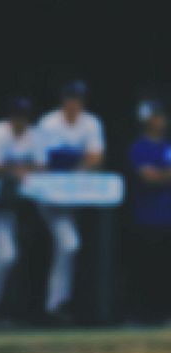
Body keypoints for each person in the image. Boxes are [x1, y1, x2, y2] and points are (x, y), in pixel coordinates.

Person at [35, 81, 105, 321]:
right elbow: (42, 163)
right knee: (68, 244)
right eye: (70, 98)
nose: (74, 103)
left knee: (68, 246)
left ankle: (57, 305)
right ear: (63, 100)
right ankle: (54, 305)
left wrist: (74, 170)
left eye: (78, 99)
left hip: (73, 197)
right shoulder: (49, 123)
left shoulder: (91, 122)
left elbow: (96, 157)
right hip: (48, 196)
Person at [0, 96, 42, 316]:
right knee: (5, 255)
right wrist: (14, 172)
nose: (21, 121)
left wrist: (21, 171)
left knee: (9, 255)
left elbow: (41, 165)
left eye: (24, 117)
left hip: (9, 209)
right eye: (17, 116)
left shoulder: (32, 135)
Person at [126, 100, 171, 324]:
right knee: (145, 268)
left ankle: (164, 314)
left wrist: (160, 175)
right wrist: (164, 175)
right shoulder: (140, 147)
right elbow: (148, 178)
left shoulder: (168, 146)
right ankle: (142, 315)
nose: (161, 121)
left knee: (165, 269)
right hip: (146, 216)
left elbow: (158, 176)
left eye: (162, 116)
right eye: (156, 116)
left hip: (167, 216)